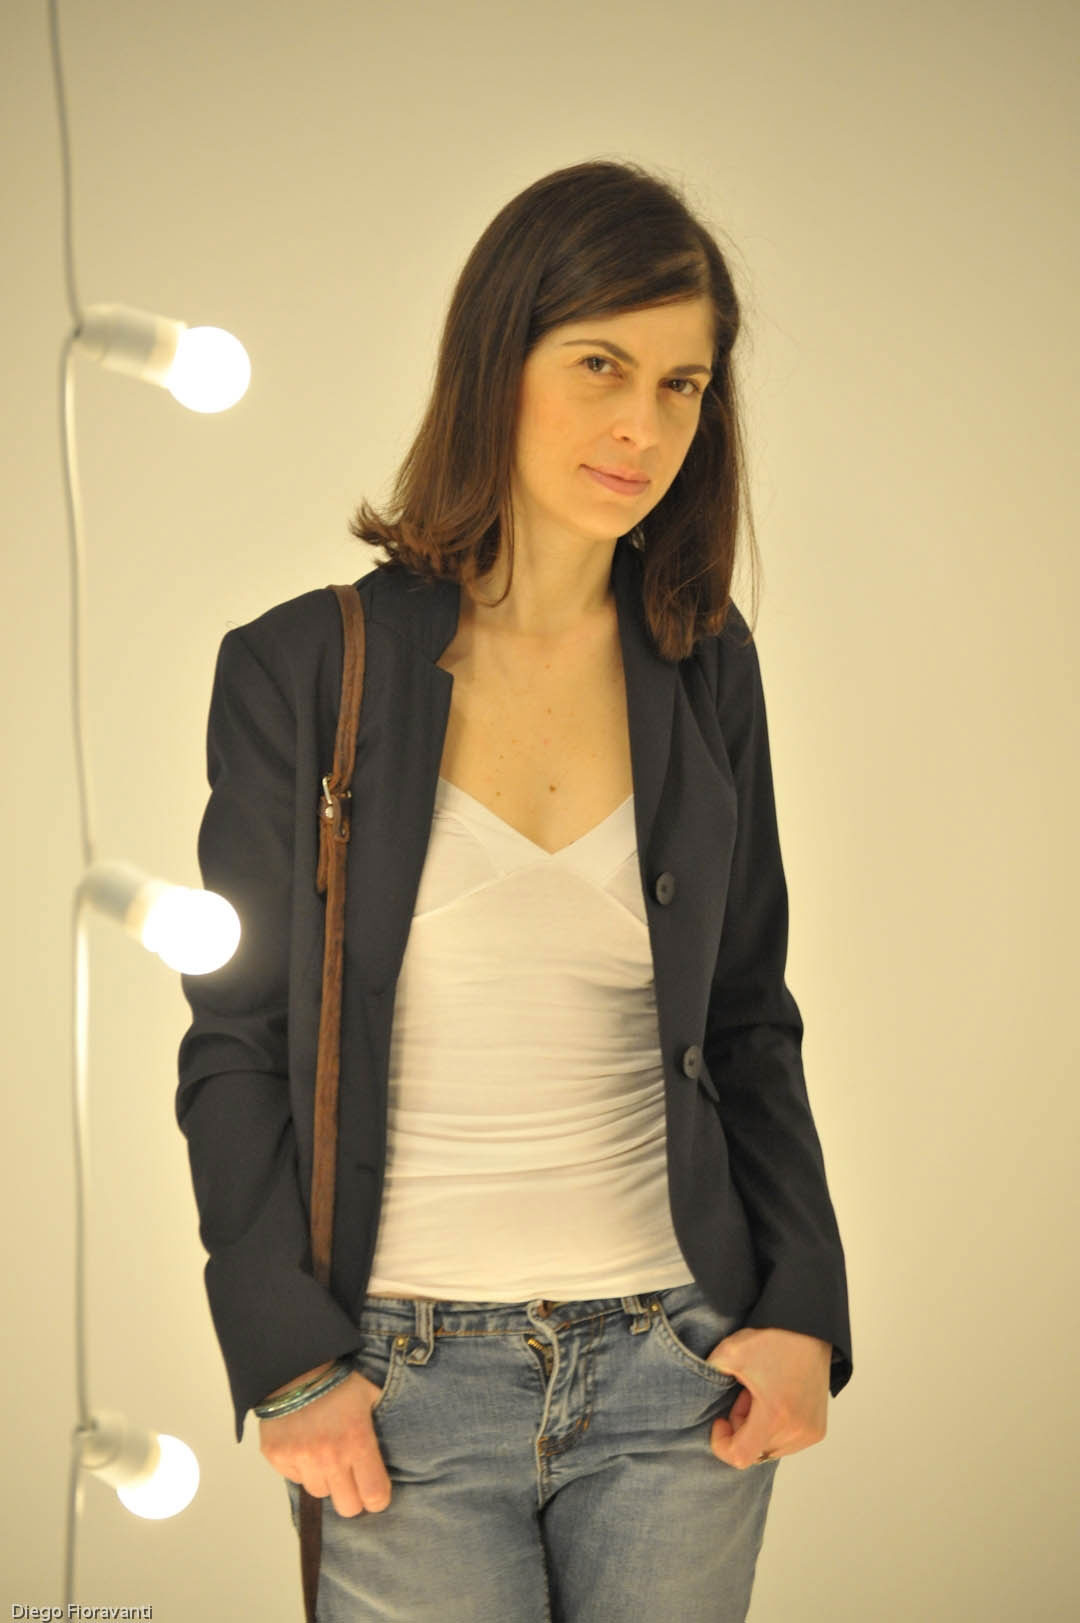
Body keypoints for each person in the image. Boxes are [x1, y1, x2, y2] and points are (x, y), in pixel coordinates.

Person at [176, 158, 852, 1622]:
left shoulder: (705, 664)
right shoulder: (306, 667)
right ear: (499, 360)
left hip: (683, 1372)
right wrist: (289, 1362)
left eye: (682, 385)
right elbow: (236, 1043)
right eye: (601, 364)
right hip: (397, 1389)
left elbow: (748, 1013)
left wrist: (803, 1307)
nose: (642, 425)